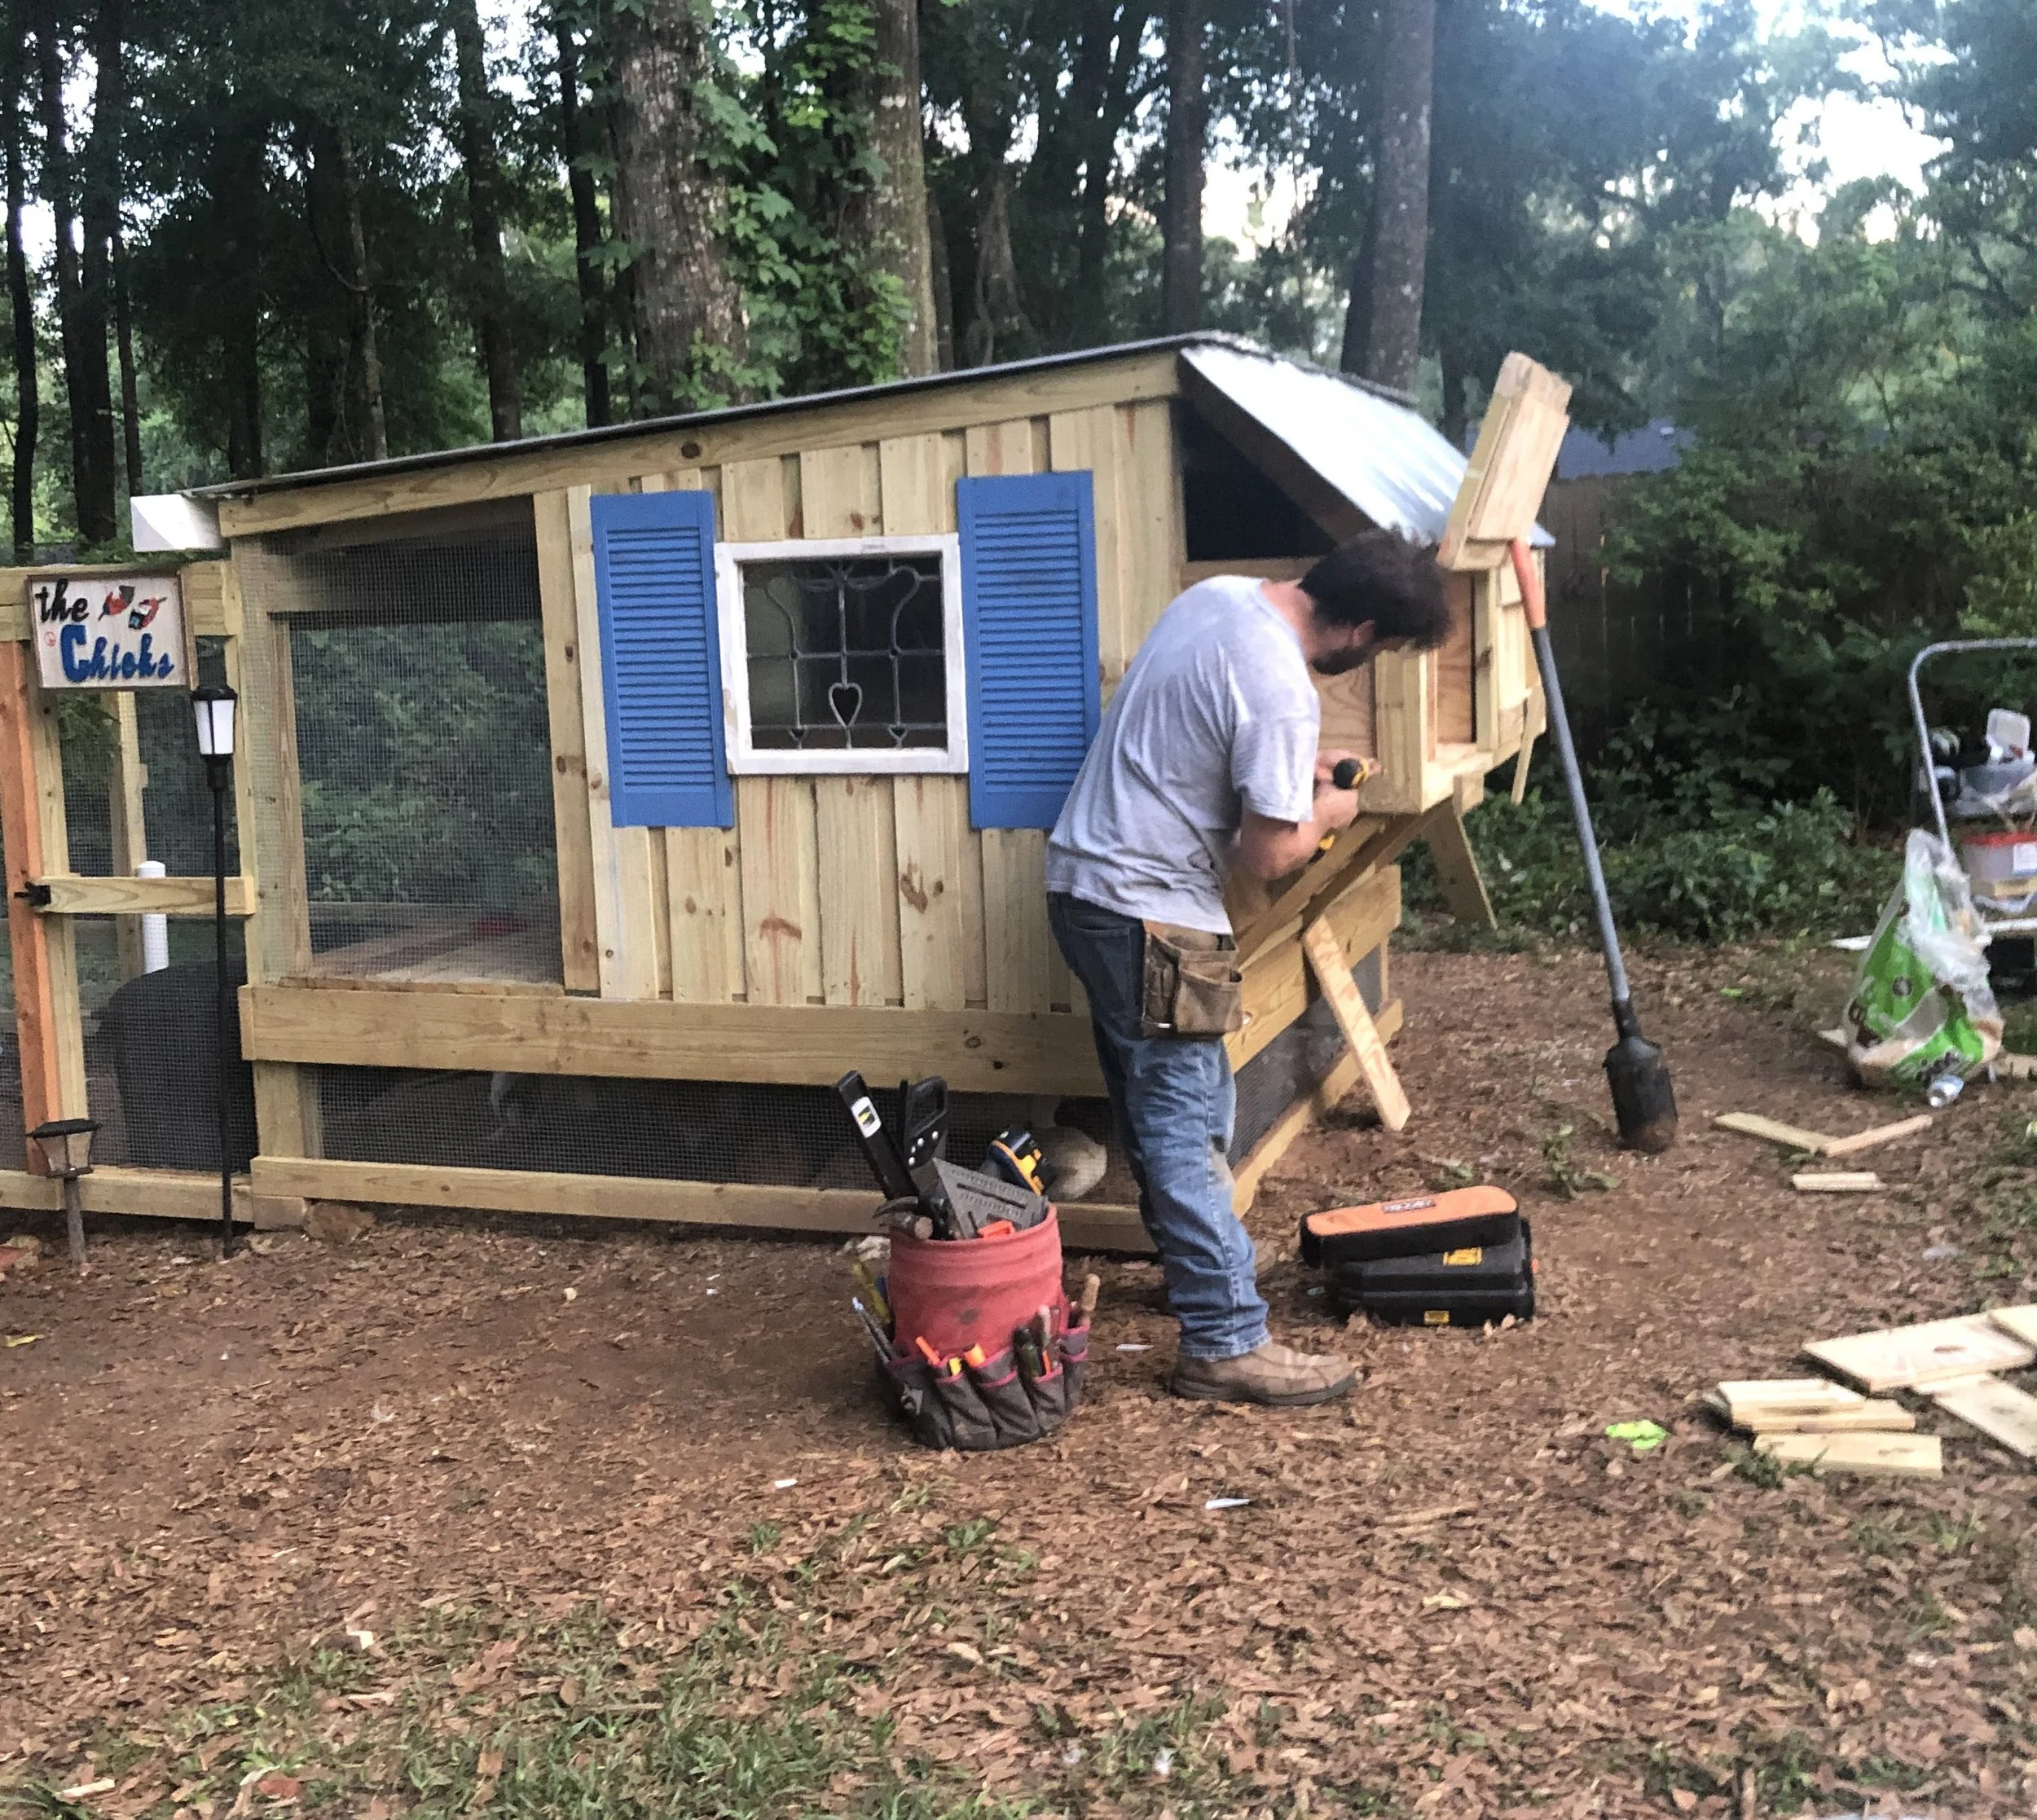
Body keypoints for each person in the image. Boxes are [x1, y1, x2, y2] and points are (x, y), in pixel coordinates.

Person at [1046, 530, 1454, 1405]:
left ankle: (1193, 1276)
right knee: (1186, 1120)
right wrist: (1330, 808)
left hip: (1086, 889)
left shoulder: (1219, 598)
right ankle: (1224, 1339)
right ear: (1364, 626)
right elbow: (1268, 853)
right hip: (1154, 912)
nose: (1365, 662)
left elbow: (1194, 739)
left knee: (1159, 1099)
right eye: (1377, 648)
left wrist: (1284, 773)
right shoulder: (1280, 687)